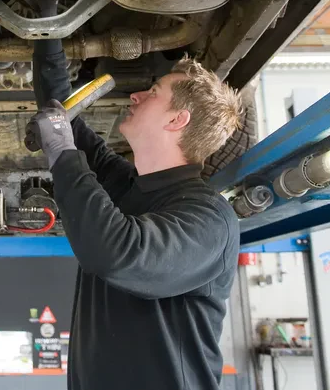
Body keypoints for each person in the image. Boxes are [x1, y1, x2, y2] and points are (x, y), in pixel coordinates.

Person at [28, 38, 243, 390]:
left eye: (153, 93)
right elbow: (64, 116)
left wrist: (63, 152)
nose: (135, 96)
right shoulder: (128, 186)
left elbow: (119, 253)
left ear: (177, 119)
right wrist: (46, 28)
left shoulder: (210, 219)